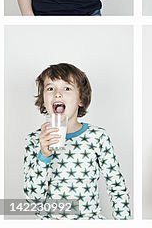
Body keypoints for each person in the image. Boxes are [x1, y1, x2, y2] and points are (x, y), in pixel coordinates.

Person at [23, 62, 131, 218]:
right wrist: (43, 155)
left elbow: (117, 188)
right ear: (43, 100)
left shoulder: (98, 137)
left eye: (67, 88)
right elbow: (33, 202)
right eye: (50, 88)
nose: (57, 94)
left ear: (81, 99)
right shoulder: (34, 140)